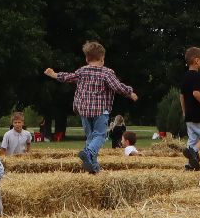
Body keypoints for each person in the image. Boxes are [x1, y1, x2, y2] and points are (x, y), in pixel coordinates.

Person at [45, 42, 137, 174]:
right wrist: (130, 92)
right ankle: (88, 153)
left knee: (90, 138)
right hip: (100, 111)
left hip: (84, 111)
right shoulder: (107, 73)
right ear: (102, 58)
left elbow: (68, 77)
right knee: (100, 136)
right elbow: (117, 86)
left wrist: (54, 74)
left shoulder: (82, 71)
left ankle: (93, 167)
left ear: (87, 59)